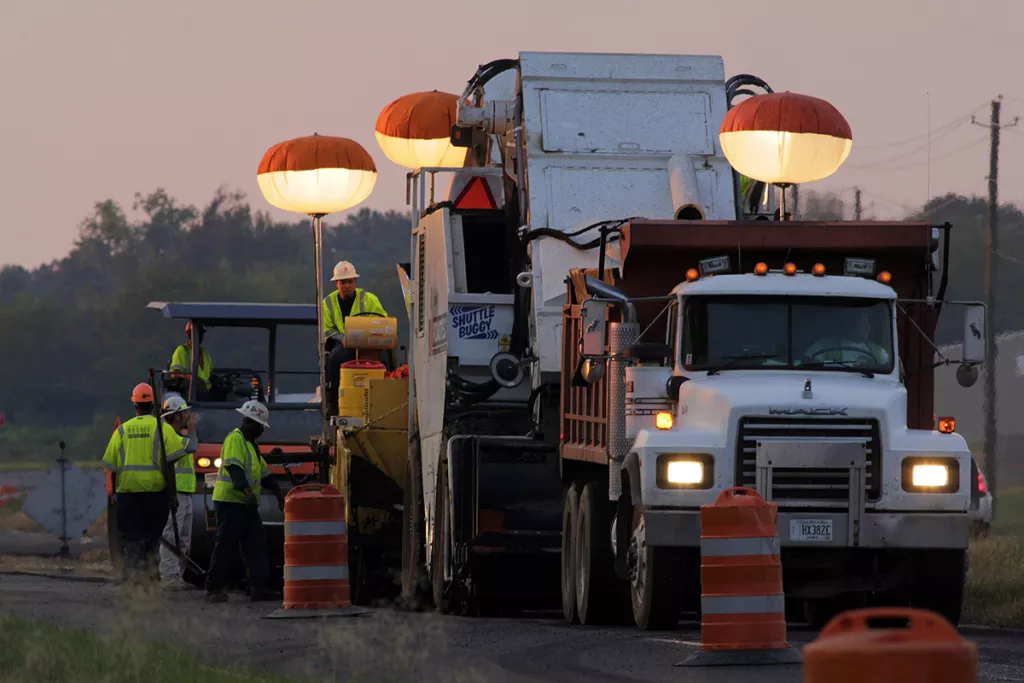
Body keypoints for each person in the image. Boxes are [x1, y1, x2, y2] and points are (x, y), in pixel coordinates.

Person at [102, 383, 196, 585]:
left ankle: (133, 578)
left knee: (131, 538)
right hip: (155, 495)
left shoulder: (122, 431)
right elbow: (170, 464)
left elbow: (112, 466)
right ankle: (150, 578)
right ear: (153, 404)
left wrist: (116, 495)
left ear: (134, 404)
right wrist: (171, 495)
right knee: (152, 539)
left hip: (127, 495)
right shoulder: (162, 429)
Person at [205, 400, 285, 603]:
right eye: (261, 427)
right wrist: (247, 491)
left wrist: (278, 492)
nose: (262, 431)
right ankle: (213, 588)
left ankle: (260, 587)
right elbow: (234, 469)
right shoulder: (236, 439)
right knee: (226, 544)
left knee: (256, 543)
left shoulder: (252, 446)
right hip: (231, 502)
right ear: (251, 422)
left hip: (247, 505)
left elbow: (265, 474)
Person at [323, 260, 387, 415]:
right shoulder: (328, 302)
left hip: (370, 344)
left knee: (386, 357)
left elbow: (383, 321)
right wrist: (343, 338)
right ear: (337, 283)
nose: (346, 286)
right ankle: (333, 403)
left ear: (355, 282)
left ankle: (386, 396)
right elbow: (327, 330)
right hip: (344, 343)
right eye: (343, 282)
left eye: (350, 282)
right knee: (334, 359)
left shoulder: (369, 299)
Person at [158, 394, 200, 590]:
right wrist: (192, 429)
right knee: (171, 536)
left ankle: (177, 576)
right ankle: (169, 578)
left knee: (182, 538)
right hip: (176, 494)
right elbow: (192, 446)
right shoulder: (168, 434)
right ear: (175, 416)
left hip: (185, 492)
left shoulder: (175, 434)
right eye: (184, 413)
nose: (188, 416)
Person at [802, 307, 890, 367]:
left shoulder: (877, 351)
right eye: (862, 323)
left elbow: (889, 369)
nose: (867, 327)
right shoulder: (825, 345)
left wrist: (872, 367)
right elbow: (807, 362)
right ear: (850, 324)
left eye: (867, 323)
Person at [169, 321, 213, 399]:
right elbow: (174, 374)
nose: (200, 336)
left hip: (207, 392)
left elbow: (210, 375)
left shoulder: (205, 353)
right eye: (197, 333)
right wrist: (193, 379)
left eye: (201, 334)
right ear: (189, 335)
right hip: (191, 394)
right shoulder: (181, 351)